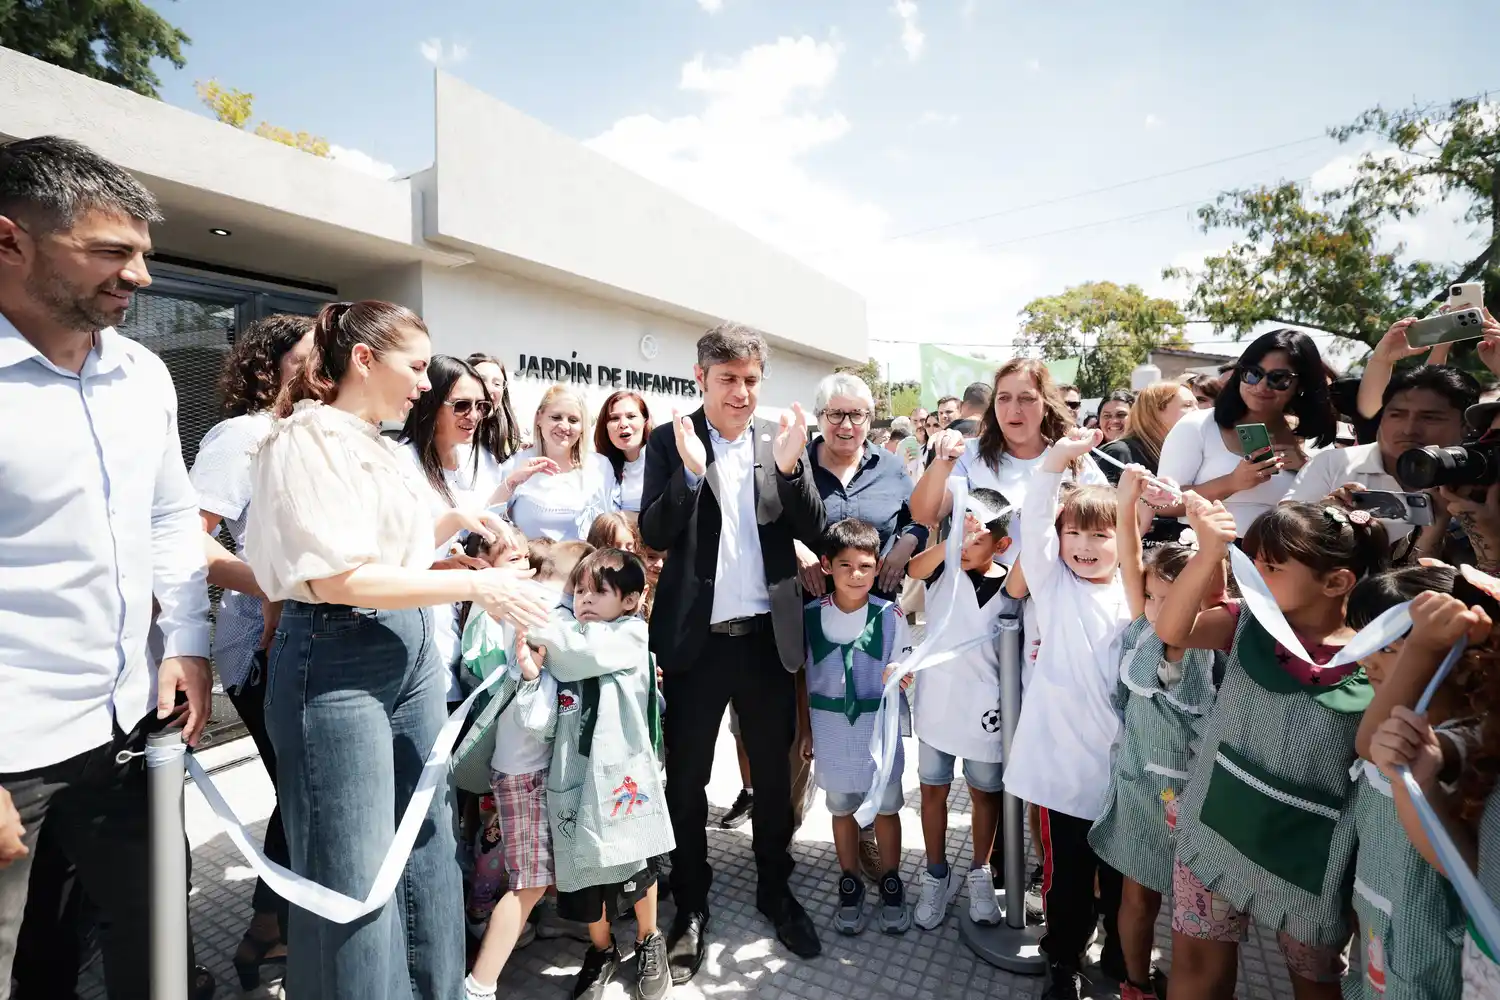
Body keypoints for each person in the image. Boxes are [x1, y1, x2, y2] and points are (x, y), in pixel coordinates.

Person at [243, 299, 553, 1000]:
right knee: (354, 874)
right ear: (363, 359)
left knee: (426, 847)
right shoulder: (304, 440)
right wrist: (477, 588)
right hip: (338, 660)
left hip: (403, 650)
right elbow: (339, 578)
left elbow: (387, 552)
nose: (424, 383)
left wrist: (456, 523)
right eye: (415, 367)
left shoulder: (371, 442)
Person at [0, 135, 216, 1000]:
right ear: (10, 240)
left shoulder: (144, 375)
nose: (141, 276)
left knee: (155, 943)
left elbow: (168, 515)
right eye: (110, 252)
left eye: (143, 253)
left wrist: (188, 642)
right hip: (11, 752)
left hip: (129, 729)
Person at [639, 322, 826, 984]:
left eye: (751, 380)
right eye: (728, 379)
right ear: (701, 378)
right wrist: (691, 474)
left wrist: (791, 470)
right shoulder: (671, 440)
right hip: (695, 645)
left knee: (774, 776)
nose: (741, 392)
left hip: (766, 642)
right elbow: (654, 532)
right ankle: (691, 900)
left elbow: (815, 529)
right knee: (686, 781)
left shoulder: (780, 440)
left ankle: (775, 885)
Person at [1155, 496, 1391, 1000]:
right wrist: (1209, 552)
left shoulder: (1380, 657)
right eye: (1253, 560)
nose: (1254, 575)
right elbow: (1173, 629)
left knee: (1315, 982)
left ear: (1337, 582)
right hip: (1214, 834)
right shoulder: (1247, 622)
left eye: (1272, 567)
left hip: (1312, 862)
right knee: (1195, 967)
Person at [189, 312, 314, 987]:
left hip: (308, 638)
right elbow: (192, 539)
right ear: (272, 365)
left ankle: (272, 929)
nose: (321, 367)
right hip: (259, 646)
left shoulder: (311, 434)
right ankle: (269, 931)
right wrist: (274, 582)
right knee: (300, 791)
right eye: (306, 356)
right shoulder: (240, 436)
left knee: (303, 792)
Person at [1005, 429, 1134, 999]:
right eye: (1073, 532)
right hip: (1063, 771)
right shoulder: (1055, 588)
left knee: (1124, 876)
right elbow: (1035, 521)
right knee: (1068, 880)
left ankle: (1122, 952)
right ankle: (1063, 960)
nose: (1085, 545)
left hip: (1125, 771)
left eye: (1101, 534)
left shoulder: (1137, 593)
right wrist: (1056, 461)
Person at [1088, 474, 1224, 1000]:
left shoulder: (1194, 647)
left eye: (1175, 599)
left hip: (1190, 799)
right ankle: (1136, 982)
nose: (1157, 606)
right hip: (1140, 788)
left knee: (1193, 914)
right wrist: (1126, 504)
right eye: (1152, 595)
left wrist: (1209, 546)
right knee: (1138, 897)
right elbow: (1130, 562)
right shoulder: (1147, 627)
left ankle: (1167, 982)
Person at [528, 549, 674, 1000]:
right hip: (573, 772)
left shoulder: (628, 634)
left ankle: (649, 939)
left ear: (630, 600)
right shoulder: (572, 633)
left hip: (620, 777)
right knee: (585, 870)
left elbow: (576, 654)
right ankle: (602, 948)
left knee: (636, 864)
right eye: (578, 591)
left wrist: (534, 618)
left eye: (598, 591)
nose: (585, 599)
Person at [1340, 566, 1483, 1000]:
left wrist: (1421, 646)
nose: (1364, 660)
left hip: (1431, 955)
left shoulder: (1464, 747)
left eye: (1387, 646)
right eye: (1362, 641)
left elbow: (1368, 745)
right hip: (1381, 926)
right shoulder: (1398, 729)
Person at [795, 519, 915, 935]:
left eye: (865, 566)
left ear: (878, 566)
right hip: (830, 729)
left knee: (887, 806)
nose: (856, 575)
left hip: (877, 728)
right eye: (845, 565)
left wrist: (901, 673)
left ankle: (892, 880)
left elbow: (905, 663)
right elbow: (801, 677)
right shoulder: (811, 616)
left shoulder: (890, 615)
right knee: (842, 807)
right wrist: (806, 729)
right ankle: (849, 880)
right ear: (826, 565)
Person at [903, 487, 1013, 931]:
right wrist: (953, 541)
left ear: (1002, 544)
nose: (966, 547)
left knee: (984, 792)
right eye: (960, 536)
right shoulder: (942, 569)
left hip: (987, 707)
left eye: (977, 539)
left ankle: (979, 872)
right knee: (933, 789)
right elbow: (913, 568)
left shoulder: (1014, 584)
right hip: (938, 701)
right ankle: (936, 874)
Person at [399, 354, 511, 705]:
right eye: (461, 405)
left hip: (469, 619)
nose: (473, 416)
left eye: (481, 406)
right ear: (431, 403)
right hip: (421, 623)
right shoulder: (401, 462)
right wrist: (452, 530)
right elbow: (396, 557)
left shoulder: (477, 461)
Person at [1157, 329, 1337, 538]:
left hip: (1286, 554)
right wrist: (1232, 482)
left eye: (1279, 378)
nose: (1261, 386)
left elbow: (1331, 510)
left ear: (1301, 385)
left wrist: (1306, 469)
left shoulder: (1314, 439)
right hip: (1207, 551)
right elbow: (1163, 504)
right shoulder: (1197, 425)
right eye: (1252, 373)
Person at [1290, 364, 1478, 547]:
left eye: (1430, 418)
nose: (1409, 430)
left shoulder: (1480, 484)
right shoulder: (1332, 464)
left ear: (1467, 426)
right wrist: (1322, 520)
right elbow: (1283, 535)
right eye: (1397, 415)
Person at [795, 372, 928, 605]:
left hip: (876, 607)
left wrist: (906, 544)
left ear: (869, 419)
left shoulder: (890, 467)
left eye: (857, 415)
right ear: (819, 417)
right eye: (835, 414)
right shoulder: (796, 466)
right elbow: (766, 521)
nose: (846, 426)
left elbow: (918, 520)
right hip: (808, 609)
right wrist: (795, 549)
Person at [496, 385, 614, 541]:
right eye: (556, 417)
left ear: (582, 427)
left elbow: (613, 525)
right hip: (529, 556)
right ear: (539, 418)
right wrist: (512, 482)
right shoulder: (516, 464)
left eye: (573, 420)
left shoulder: (600, 466)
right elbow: (489, 515)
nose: (564, 426)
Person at [594, 389, 653, 516]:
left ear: (645, 420)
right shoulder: (602, 467)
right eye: (614, 418)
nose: (623, 424)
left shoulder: (664, 458)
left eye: (631, 416)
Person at [466, 352, 525, 463]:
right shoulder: (448, 441)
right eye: (481, 380)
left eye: (497, 384)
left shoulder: (503, 446)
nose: (489, 389)